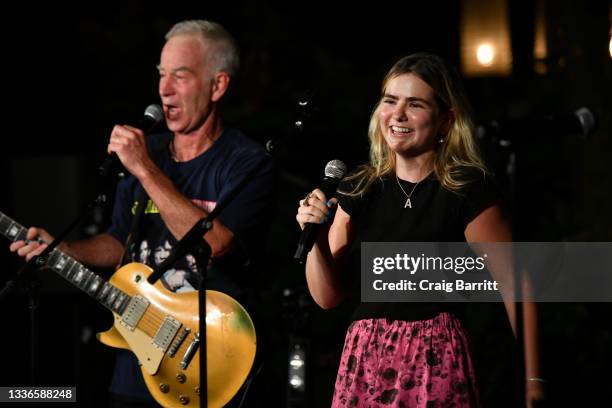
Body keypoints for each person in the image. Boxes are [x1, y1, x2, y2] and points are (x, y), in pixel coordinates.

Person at [10, 20, 275, 407]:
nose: (164, 89)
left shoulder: (246, 162)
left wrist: (144, 168)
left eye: (180, 76)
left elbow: (216, 243)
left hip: (209, 362)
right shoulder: (146, 156)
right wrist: (65, 249)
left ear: (217, 85)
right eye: (161, 75)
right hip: (137, 365)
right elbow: (120, 243)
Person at [296, 53, 544, 407]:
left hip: (434, 357)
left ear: (446, 121)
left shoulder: (466, 191)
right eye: (390, 101)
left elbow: (517, 287)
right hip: (366, 359)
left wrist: (533, 379)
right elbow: (326, 297)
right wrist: (316, 240)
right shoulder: (359, 188)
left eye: (414, 104)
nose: (397, 115)